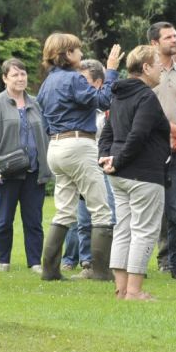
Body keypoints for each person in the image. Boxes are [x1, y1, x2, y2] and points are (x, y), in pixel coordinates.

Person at [36, 33, 123, 281]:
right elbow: (103, 100)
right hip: (78, 144)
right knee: (101, 209)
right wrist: (111, 71)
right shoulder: (74, 79)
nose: (81, 54)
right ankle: (101, 272)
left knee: (64, 210)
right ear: (66, 54)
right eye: (77, 50)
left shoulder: (46, 83)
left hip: (56, 146)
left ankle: (50, 270)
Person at [99, 45, 171, 300]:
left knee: (124, 229)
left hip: (120, 175)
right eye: (158, 63)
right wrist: (115, 160)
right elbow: (138, 135)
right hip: (143, 174)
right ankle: (134, 291)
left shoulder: (118, 95)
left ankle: (121, 289)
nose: (162, 67)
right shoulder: (146, 97)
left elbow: (107, 133)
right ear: (146, 68)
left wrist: (105, 158)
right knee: (143, 231)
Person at [0, 58, 52, 272]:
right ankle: (3, 261)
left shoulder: (37, 103)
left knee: (34, 221)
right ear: (4, 78)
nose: (20, 78)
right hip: (6, 173)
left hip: (34, 172)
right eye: (15, 75)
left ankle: (35, 262)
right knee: (3, 220)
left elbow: (47, 134)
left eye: (23, 74)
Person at [62, 60, 117, 273]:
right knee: (80, 217)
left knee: (106, 215)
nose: (79, 85)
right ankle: (82, 259)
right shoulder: (79, 106)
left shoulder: (107, 108)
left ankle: (103, 261)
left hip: (105, 166)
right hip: (82, 163)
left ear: (98, 82)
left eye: (84, 81)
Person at [149, 21, 176, 279]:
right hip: (149, 152)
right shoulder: (144, 72)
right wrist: (170, 129)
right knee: (146, 212)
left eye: (175, 36)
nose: (174, 40)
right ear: (154, 43)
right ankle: (139, 265)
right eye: (168, 37)